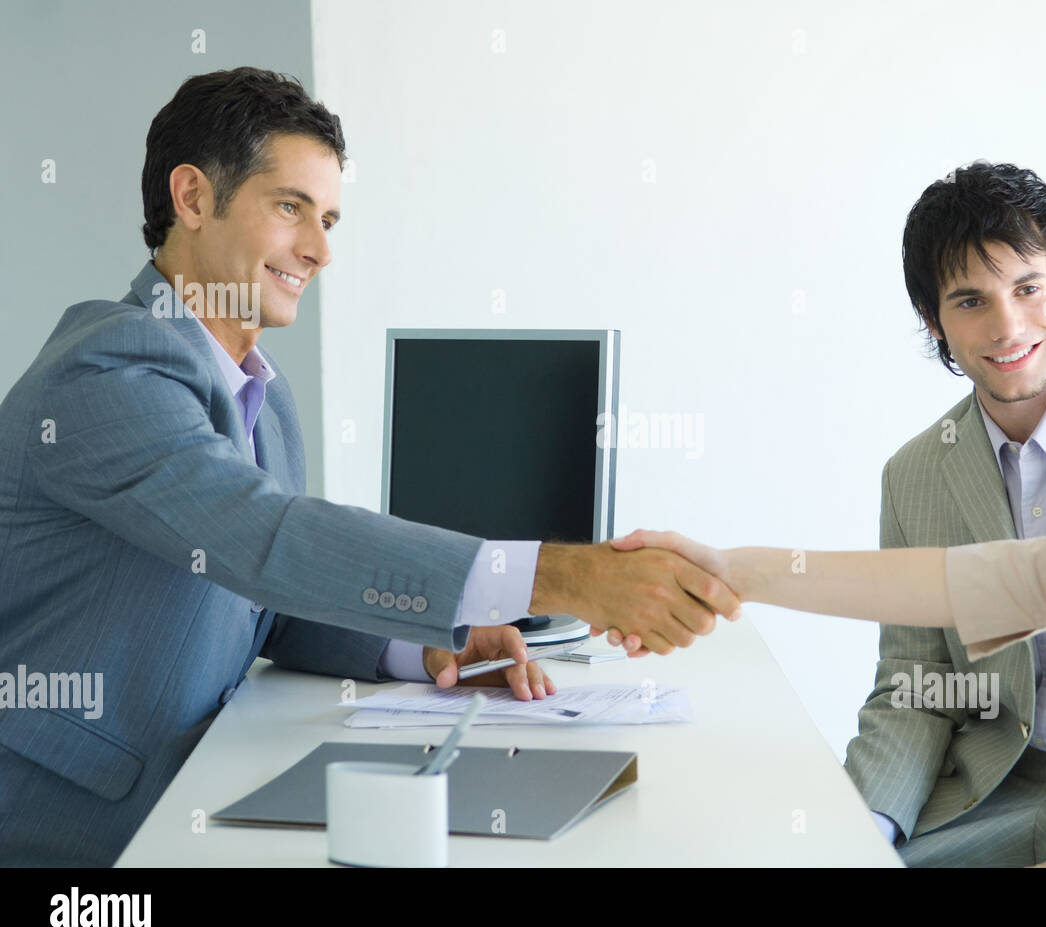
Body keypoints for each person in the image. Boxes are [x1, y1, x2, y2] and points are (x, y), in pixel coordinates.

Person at [0, 67, 738, 867]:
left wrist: (420, 650)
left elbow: (265, 601)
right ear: (193, 197)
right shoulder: (107, 370)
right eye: (290, 208)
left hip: (199, 794)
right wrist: (563, 576)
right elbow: (263, 538)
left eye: (328, 218)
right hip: (70, 833)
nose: (318, 249)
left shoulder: (263, 401)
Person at [601, 142, 1046, 867]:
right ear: (934, 320)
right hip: (1009, 803)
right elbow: (1004, 581)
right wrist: (731, 568)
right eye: (971, 301)